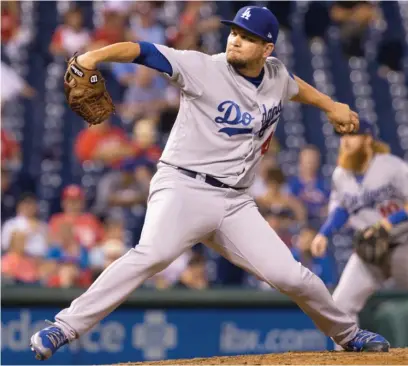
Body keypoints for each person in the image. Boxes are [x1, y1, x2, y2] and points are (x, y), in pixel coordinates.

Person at [30, 6, 388, 361]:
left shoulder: (275, 74)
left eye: (248, 38)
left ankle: (349, 334)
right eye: (235, 33)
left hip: (236, 203)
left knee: (293, 277)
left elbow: (294, 87)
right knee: (150, 254)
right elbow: (144, 51)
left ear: (267, 50)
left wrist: (330, 105)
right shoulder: (203, 67)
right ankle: (64, 327)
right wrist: (94, 56)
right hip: (184, 186)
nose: (235, 41)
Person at [310, 119, 408, 349]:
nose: (345, 141)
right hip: (369, 251)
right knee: (340, 305)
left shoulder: (391, 166)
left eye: (352, 135)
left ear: (367, 139)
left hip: (402, 243)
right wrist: (324, 233)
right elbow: (341, 209)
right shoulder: (341, 175)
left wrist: (390, 221)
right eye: (343, 136)